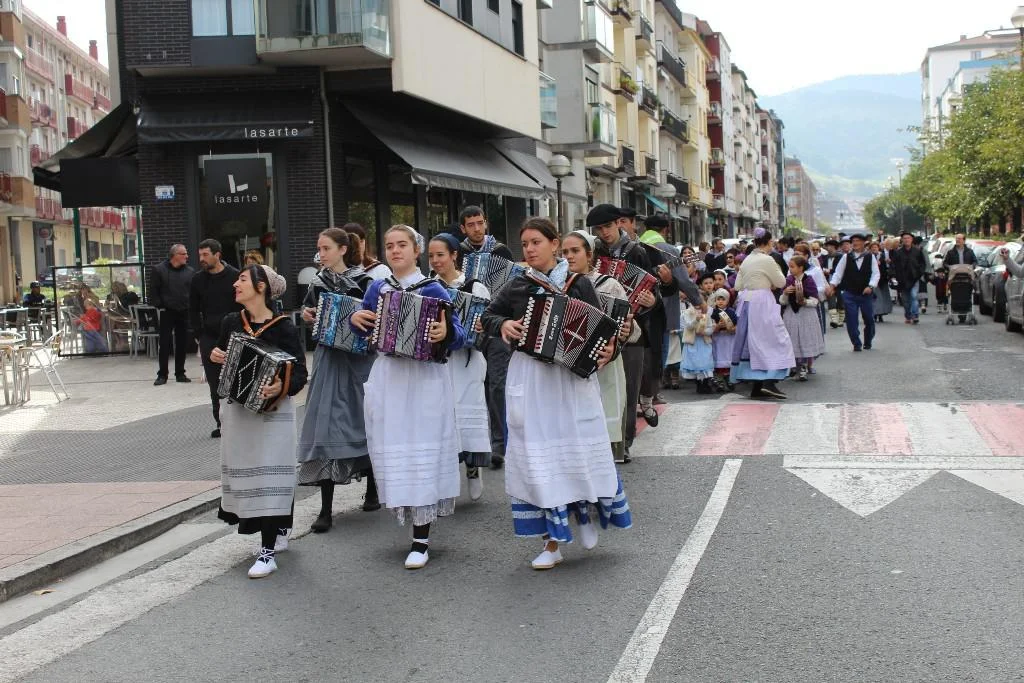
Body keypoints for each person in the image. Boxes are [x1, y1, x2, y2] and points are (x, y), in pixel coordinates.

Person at [481, 217, 629, 570]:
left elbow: (603, 331)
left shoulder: (579, 284)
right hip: (532, 378)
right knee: (539, 457)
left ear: (554, 243)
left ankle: (585, 515)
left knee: (576, 450)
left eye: (536, 242)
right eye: (525, 244)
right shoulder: (518, 285)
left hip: (570, 381)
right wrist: (504, 324)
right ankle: (551, 542)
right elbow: (487, 316)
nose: (530, 249)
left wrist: (610, 350)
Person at [349, 225, 466, 570]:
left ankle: (421, 538)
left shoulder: (433, 289)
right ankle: (409, 515)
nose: (395, 250)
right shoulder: (377, 288)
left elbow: (459, 334)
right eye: (389, 246)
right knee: (397, 447)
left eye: (402, 245)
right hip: (390, 376)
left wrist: (445, 331)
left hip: (424, 378)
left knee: (422, 448)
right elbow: (362, 333)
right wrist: (356, 319)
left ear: (417, 251)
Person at [209, 265, 307, 579]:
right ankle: (276, 530)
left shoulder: (283, 327)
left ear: (261, 286)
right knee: (252, 477)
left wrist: (280, 387)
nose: (235, 284)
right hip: (239, 413)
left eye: (242, 280)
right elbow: (222, 363)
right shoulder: (231, 322)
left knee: (271, 478)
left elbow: (300, 373)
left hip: (273, 416)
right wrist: (216, 357)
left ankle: (267, 552)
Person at [298, 228, 380, 534]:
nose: (321, 254)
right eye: (319, 248)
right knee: (324, 427)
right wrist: (308, 316)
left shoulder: (366, 282)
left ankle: (372, 487)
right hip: (328, 360)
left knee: (363, 421)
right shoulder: (317, 283)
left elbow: (375, 322)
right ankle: (325, 509)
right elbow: (312, 322)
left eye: (326, 248)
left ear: (343, 249)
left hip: (358, 362)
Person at [589, 204, 663, 458]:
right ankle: (602, 440)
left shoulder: (637, 251)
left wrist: (651, 301)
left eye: (608, 226)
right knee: (601, 387)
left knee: (630, 387)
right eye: (599, 228)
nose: (604, 232)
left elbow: (653, 288)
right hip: (598, 326)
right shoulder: (592, 251)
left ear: (619, 223)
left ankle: (625, 443)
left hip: (633, 328)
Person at [562, 230, 638, 463]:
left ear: (589, 254)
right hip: (568, 366)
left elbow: (632, 330)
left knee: (604, 424)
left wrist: (625, 329)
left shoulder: (609, 286)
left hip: (605, 366)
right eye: (565, 252)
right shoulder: (557, 285)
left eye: (575, 251)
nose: (569, 256)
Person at [428, 233, 491, 500]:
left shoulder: (474, 287)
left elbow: (487, 326)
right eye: (431, 256)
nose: (435, 260)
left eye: (440, 255)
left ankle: (473, 467)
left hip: (467, 362)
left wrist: (481, 327)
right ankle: (444, 477)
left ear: (454, 255)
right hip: (438, 362)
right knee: (441, 416)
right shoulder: (427, 288)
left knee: (467, 416)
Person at [456, 206, 513, 471]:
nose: (477, 228)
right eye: (471, 224)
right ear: (463, 228)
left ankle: (500, 444)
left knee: (497, 384)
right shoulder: (459, 252)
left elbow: (509, 286)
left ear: (486, 223)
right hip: (470, 327)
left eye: (480, 223)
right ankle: (479, 441)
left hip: (496, 326)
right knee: (475, 384)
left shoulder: (501, 251)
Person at [731, 229, 793, 399]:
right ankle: (769, 381)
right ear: (768, 242)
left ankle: (757, 386)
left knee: (752, 343)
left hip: (747, 302)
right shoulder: (767, 259)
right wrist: (769, 281)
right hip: (762, 301)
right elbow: (781, 281)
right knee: (774, 340)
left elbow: (737, 286)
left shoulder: (747, 260)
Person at [190, 239, 241, 438]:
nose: (201, 259)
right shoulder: (197, 280)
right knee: (215, 382)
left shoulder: (235, 276)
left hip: (234, 336)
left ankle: (240, 420)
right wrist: (199, 334)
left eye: (205, 255)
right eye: (200, 255)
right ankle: (221, 423)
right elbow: (193, 309)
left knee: (236, 377)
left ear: (217, 255)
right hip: (209, 337)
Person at [827, 233, 880, 351]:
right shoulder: (846, 257)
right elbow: (838, 273)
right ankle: (856, 343)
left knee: (869, 319)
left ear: (864, 243)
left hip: (865, 293)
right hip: (850, 293)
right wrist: (832, 286)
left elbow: (876, 274)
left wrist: (871, 286)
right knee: (851, 319)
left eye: (858, 241)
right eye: (853, 241)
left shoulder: (870, 257)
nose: (855, 243)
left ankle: (868, 340)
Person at [151, 244, 194, 385]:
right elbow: (154, 292)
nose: (187, 256)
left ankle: (180, 373)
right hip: (166, 312)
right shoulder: (159, 270)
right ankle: (162, 375)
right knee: (164, 343)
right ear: (174, 255)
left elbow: (192, 292)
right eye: (183, 254)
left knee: (182, 343)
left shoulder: (190, 271)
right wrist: (160, 306)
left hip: (183, 312)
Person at [780, 256, 825, 381]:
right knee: (792, 339)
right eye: (789, 266)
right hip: (791, 314)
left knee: (805, 338)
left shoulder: (808, 280)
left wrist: (805, 301)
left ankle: (804, 366)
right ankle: (794, 366)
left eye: (792, 267)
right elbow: (782, 302)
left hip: (806, 314)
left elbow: (815, 301)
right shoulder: (788, 280)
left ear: (801, 268)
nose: (790, 269)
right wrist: (785, 293)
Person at [889, 231, 927, 325]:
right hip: (902, 279)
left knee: (914, 296)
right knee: (905, 300)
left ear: (912, 239)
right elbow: (893, 265)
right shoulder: (898, 252)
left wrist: (920, 273)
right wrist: (893, 276)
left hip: (914, 278)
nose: (906, 240)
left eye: (908, 238)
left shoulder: (917, 251)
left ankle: (915, 315)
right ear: (902, 240)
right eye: (904, 238)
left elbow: (923, 263)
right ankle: (908, 315)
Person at [710, 288, 737, 391]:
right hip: (718, 338)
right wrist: (718, 326)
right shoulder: (713, 312)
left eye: (723, 299)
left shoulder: (731, 312)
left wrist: (731, 328)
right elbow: (711, 326)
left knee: (728, 357)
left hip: (728, 338)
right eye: (718, 299)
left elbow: (736, 324)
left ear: (727, 300)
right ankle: (719, 380)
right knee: (718, 357)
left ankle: (729, 378)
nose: (720, 302)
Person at [869, 241, 894, 323]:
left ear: (878, 248)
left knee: (883, 297)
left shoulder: (882, 255)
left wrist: (887, 262)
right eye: (872, 247)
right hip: (873, 280)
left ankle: (881, 314)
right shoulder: (868, 257)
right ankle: (875, 314)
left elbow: (888, 267)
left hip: (883, 279)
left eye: (875, 247)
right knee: (876, 297)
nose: (874, 249)